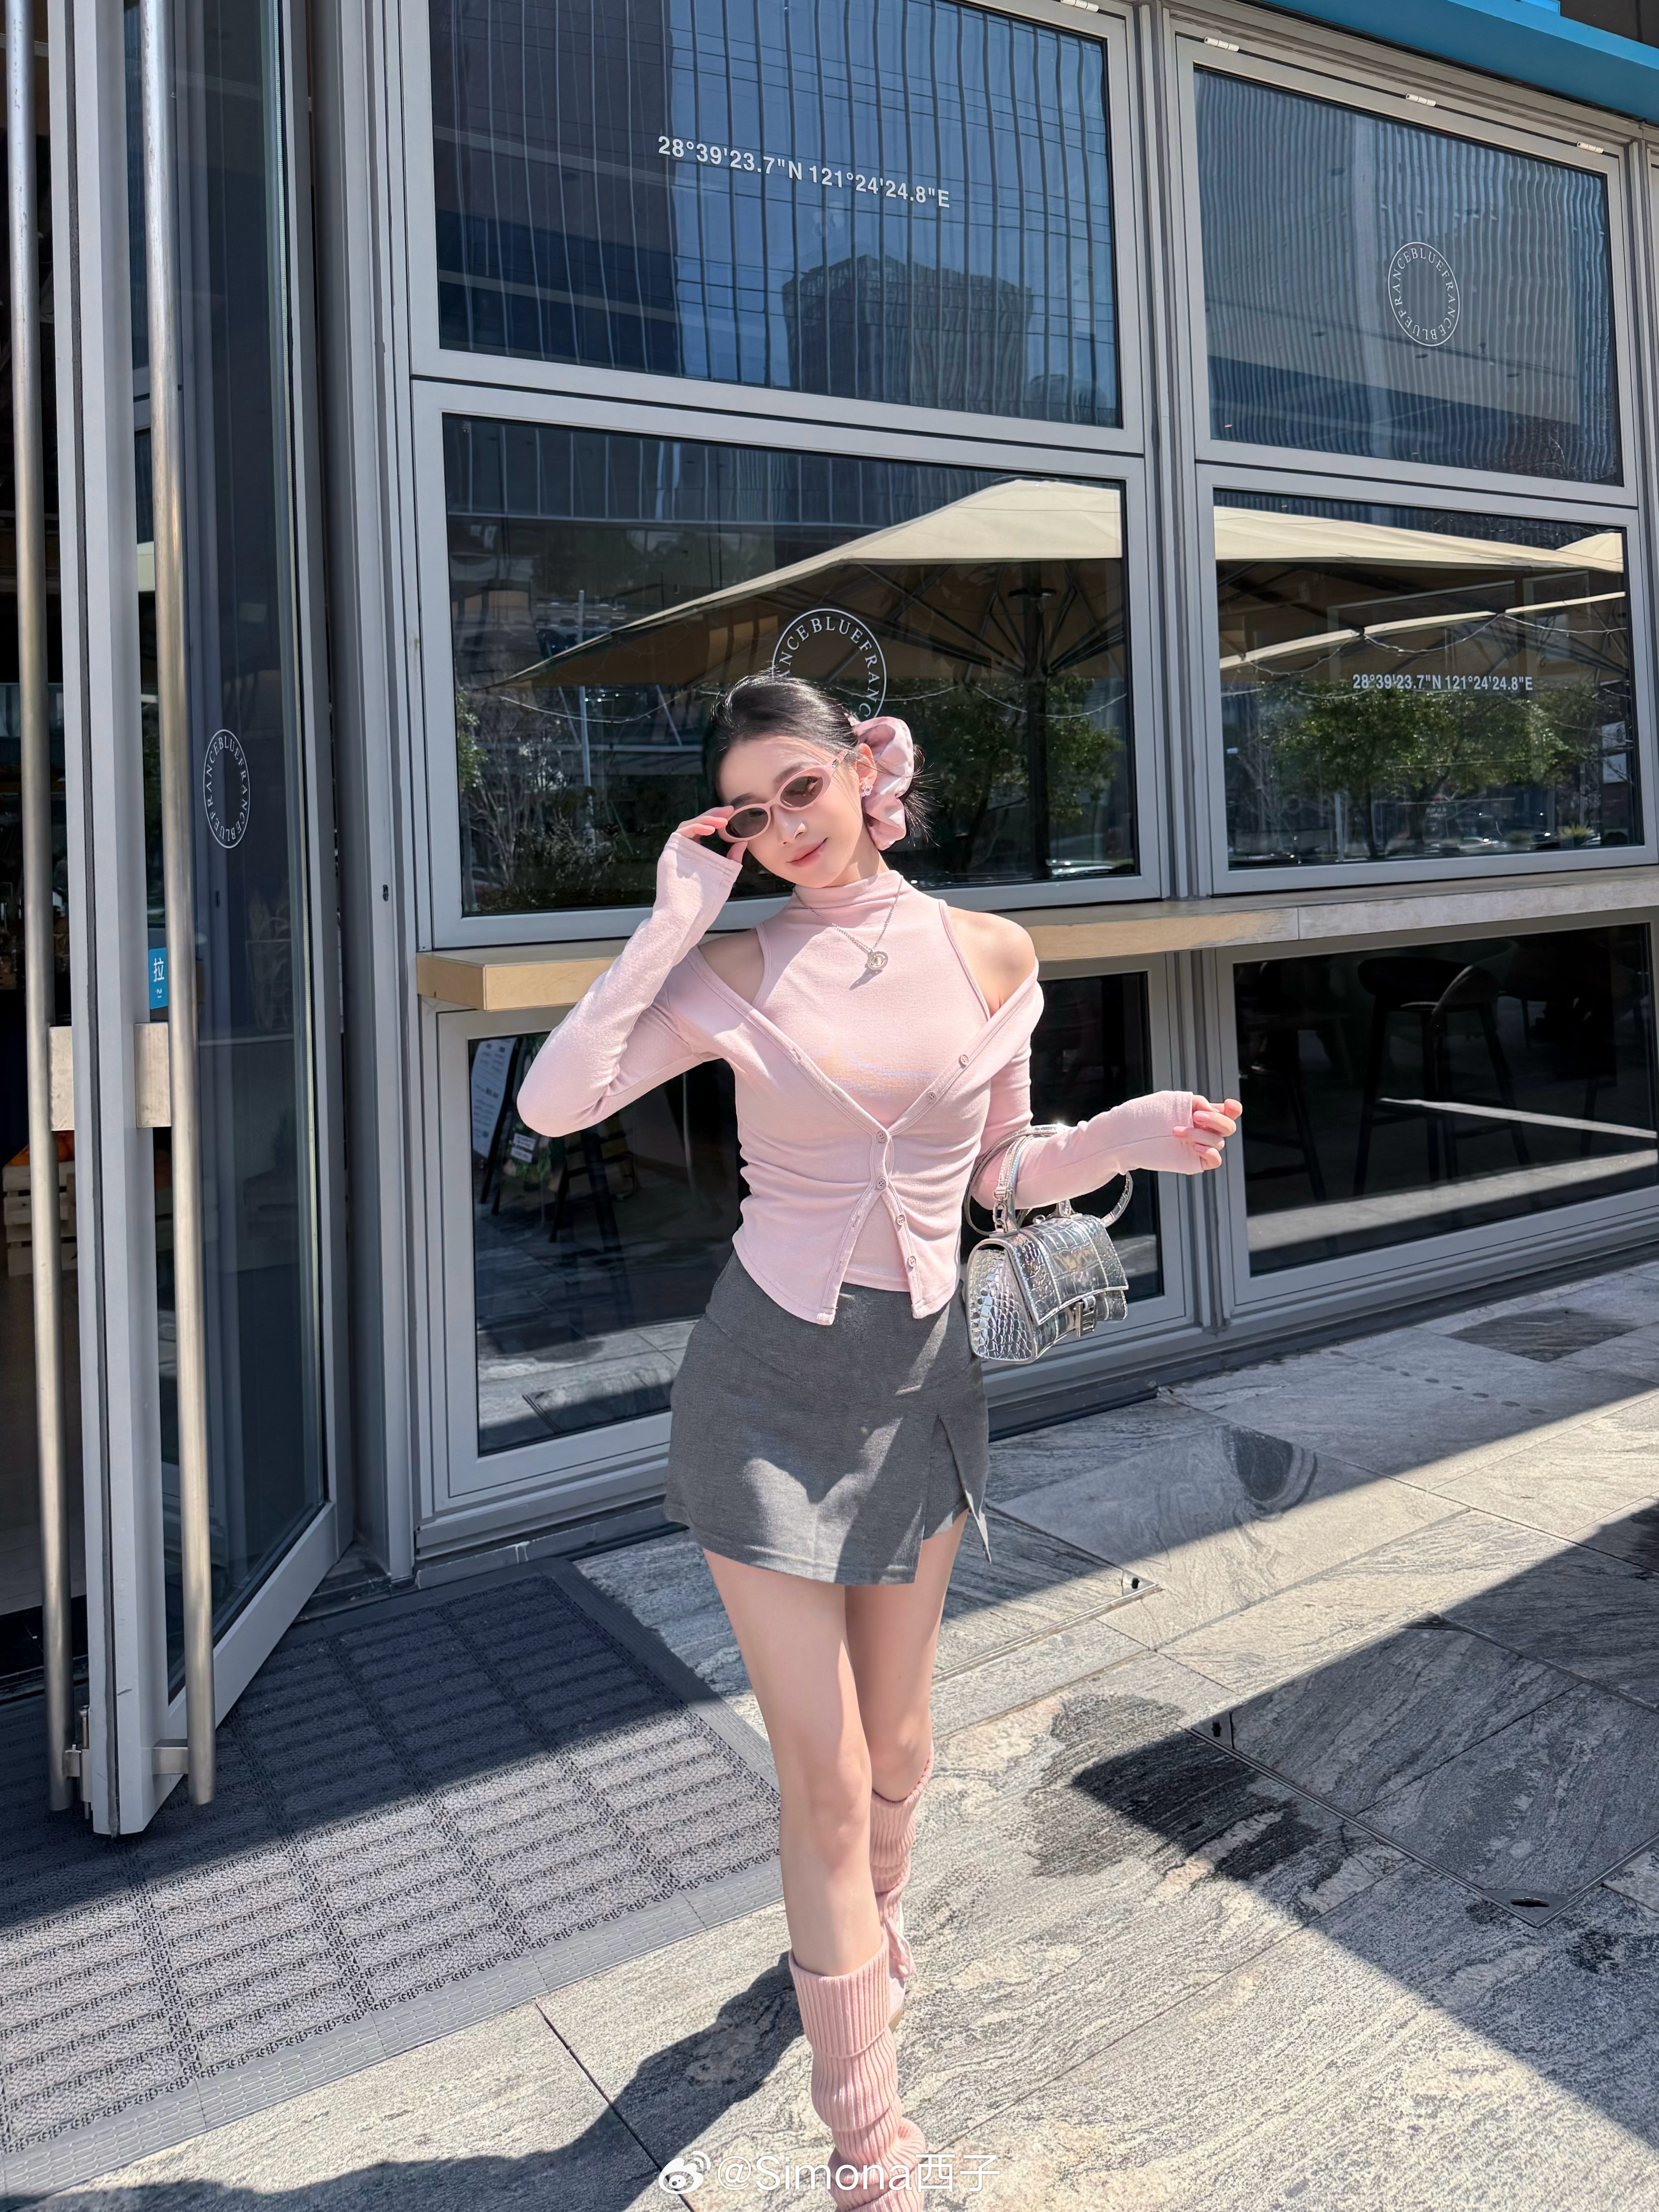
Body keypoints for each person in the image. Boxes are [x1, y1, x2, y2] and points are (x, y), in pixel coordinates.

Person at [515, 675, 1241, 2210]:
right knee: (828, 1775)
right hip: (759, 1389)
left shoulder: (990, 951)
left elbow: (1002, 1170)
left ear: (864, 769)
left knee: (900, 1750)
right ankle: (869, 2143)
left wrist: (1129, 1136)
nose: (783, 826)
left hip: (919, 1382)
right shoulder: (732, 963)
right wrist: (668, 919)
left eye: (801, 787)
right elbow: (556, 1102)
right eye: (749, 809)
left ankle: (866, 1929)